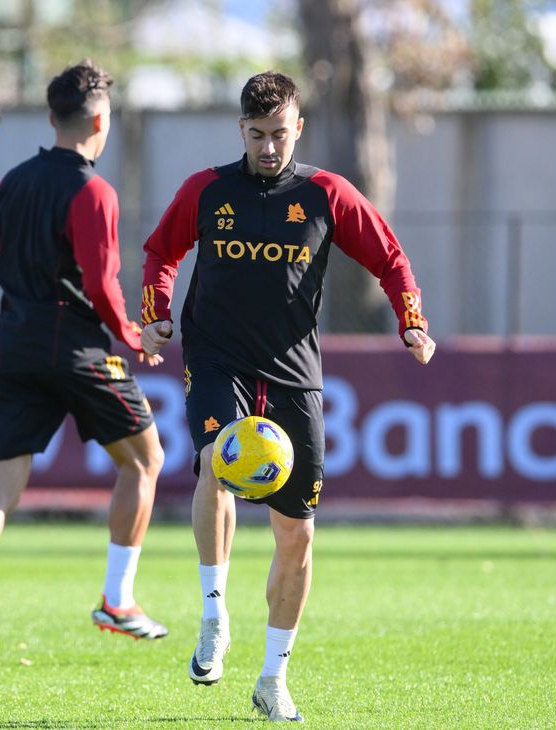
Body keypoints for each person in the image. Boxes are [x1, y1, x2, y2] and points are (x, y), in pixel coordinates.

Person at [139, 71, 436, 721]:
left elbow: (390, 258)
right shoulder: (206, 190)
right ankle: (214, 615)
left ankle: (273, 678)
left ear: (298, 128)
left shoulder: (327, 194)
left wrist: (410, 320)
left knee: (297, 532)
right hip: (217, 358)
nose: (268, 147)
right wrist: (156, 313)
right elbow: (161, 251)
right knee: (218, 459)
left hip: (294, 374)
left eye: (279, 134)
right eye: (256, 135)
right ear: (239, 130)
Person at [0, 60, 167, 670]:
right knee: (145, 461)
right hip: (75, 346)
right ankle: (117, 600)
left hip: (14, 341)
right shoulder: (94, 191)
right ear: (100, 120)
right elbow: (101, 281)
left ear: (51, 117)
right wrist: (130, 334)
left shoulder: (15, 180)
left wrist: (28, 267)